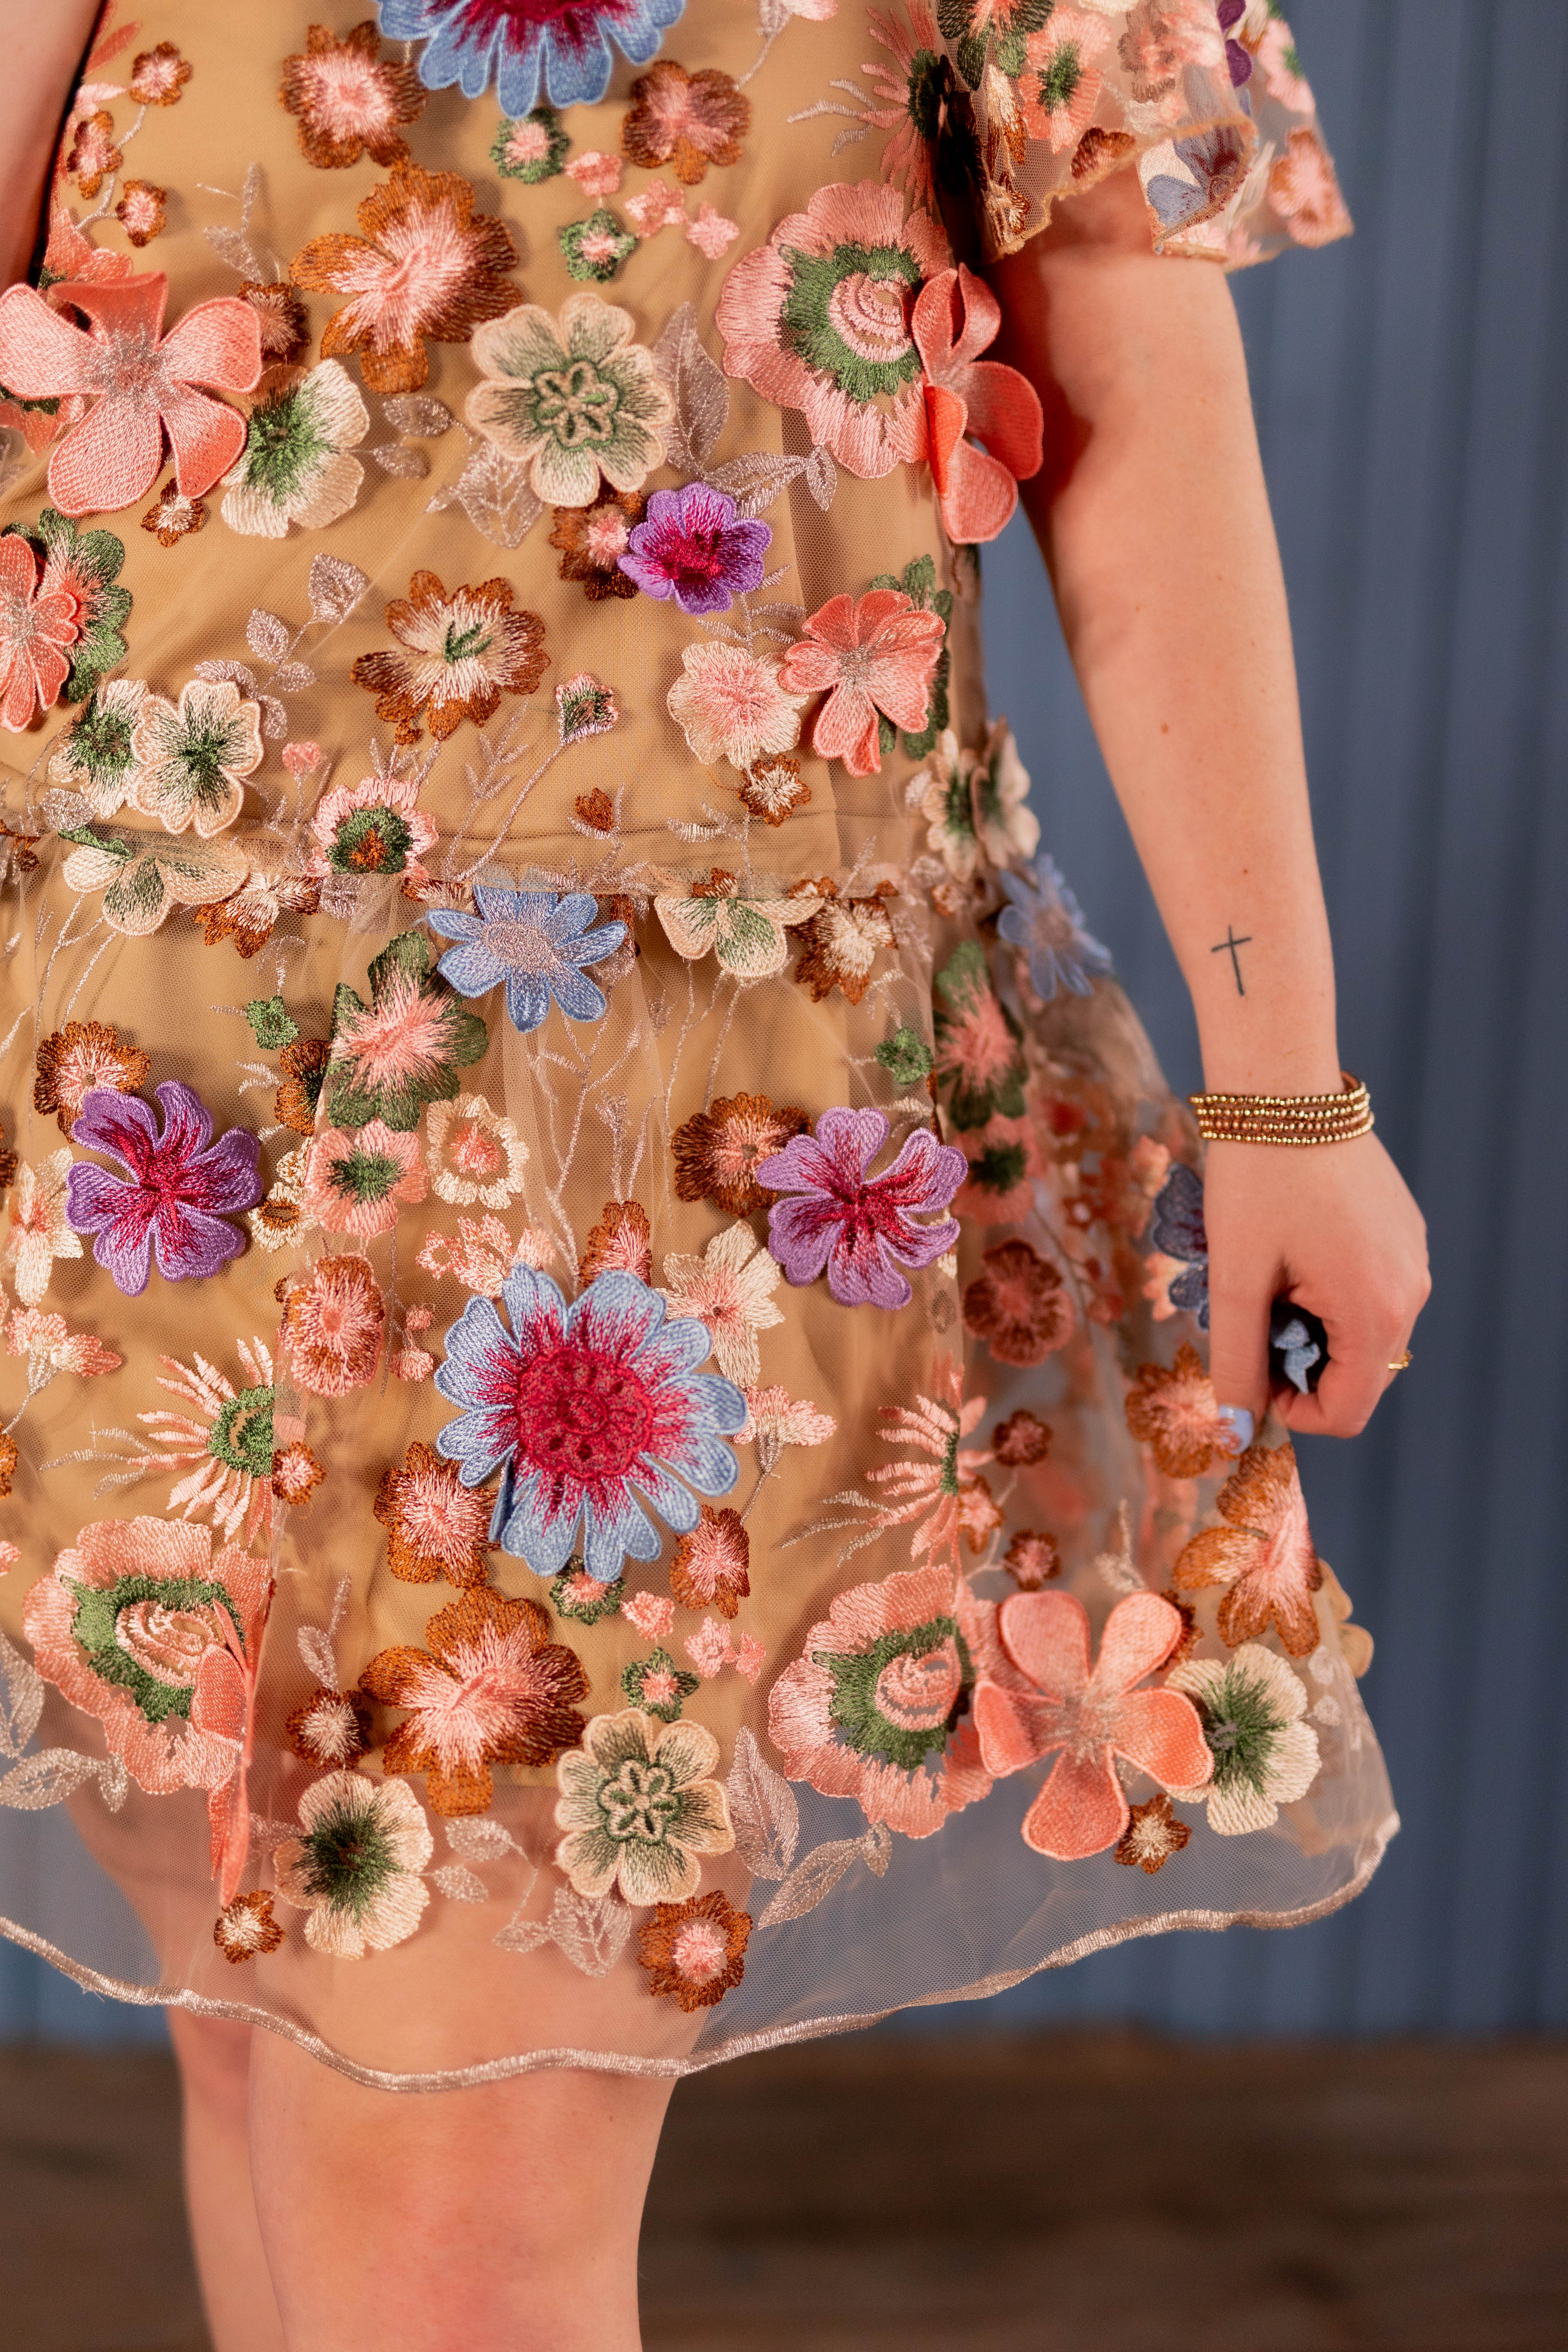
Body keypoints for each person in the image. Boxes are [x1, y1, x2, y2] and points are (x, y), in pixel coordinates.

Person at [0, 3, 1429, 2346]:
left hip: (675, 1135)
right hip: (150, 1060)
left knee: (443, 2211)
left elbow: (1136, 383)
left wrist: (1286, 1085)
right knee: (261, 2056)